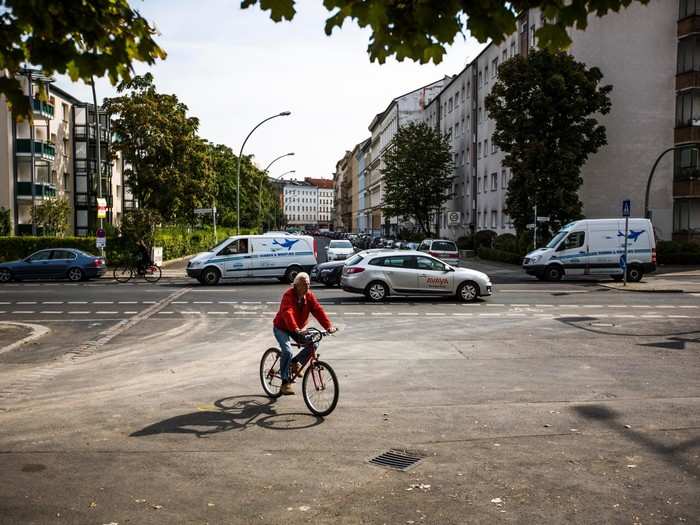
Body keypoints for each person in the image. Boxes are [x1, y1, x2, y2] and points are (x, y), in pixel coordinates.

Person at [273, 272, 336, 395]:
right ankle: (285, 382)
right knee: (287, 351)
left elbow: (318, 310)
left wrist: (328, 327)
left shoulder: (309, 296)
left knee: (314, 343)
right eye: (304, 284)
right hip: (282, 327)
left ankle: (295, 362)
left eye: (308, 284)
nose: (307, 287)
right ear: (296, 285)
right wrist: (295, 328)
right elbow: (288, 312)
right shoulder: (288, 295)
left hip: (298, 329)